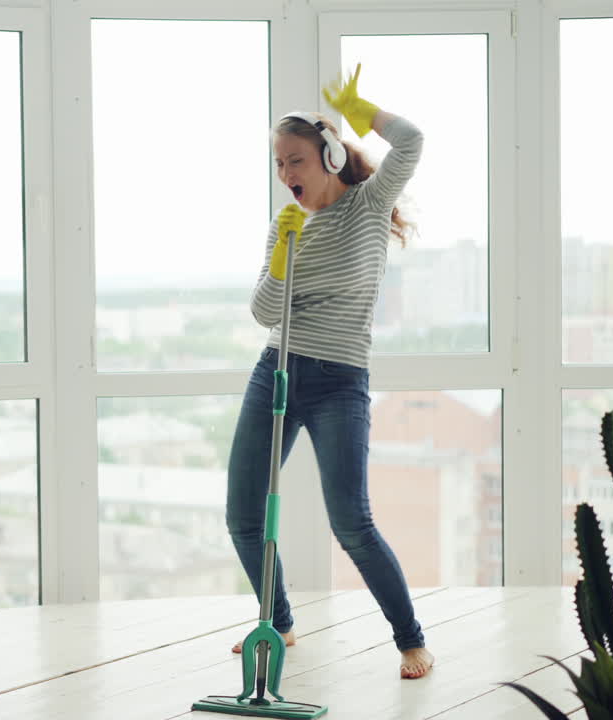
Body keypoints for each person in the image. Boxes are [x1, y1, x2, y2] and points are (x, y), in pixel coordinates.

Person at [225, 64, 435, 680]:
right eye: (279, 166)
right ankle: (280, 621)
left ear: (330, 154)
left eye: (296, 160)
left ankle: (411, 639)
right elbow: (266, 310)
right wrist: (285, 252)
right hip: (277, 372)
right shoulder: (285, 228)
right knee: (242, 513)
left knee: (351, 519)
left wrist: (362, 107)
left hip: (340, 380)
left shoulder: (369, 207)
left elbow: (413, 141)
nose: (288, 175)